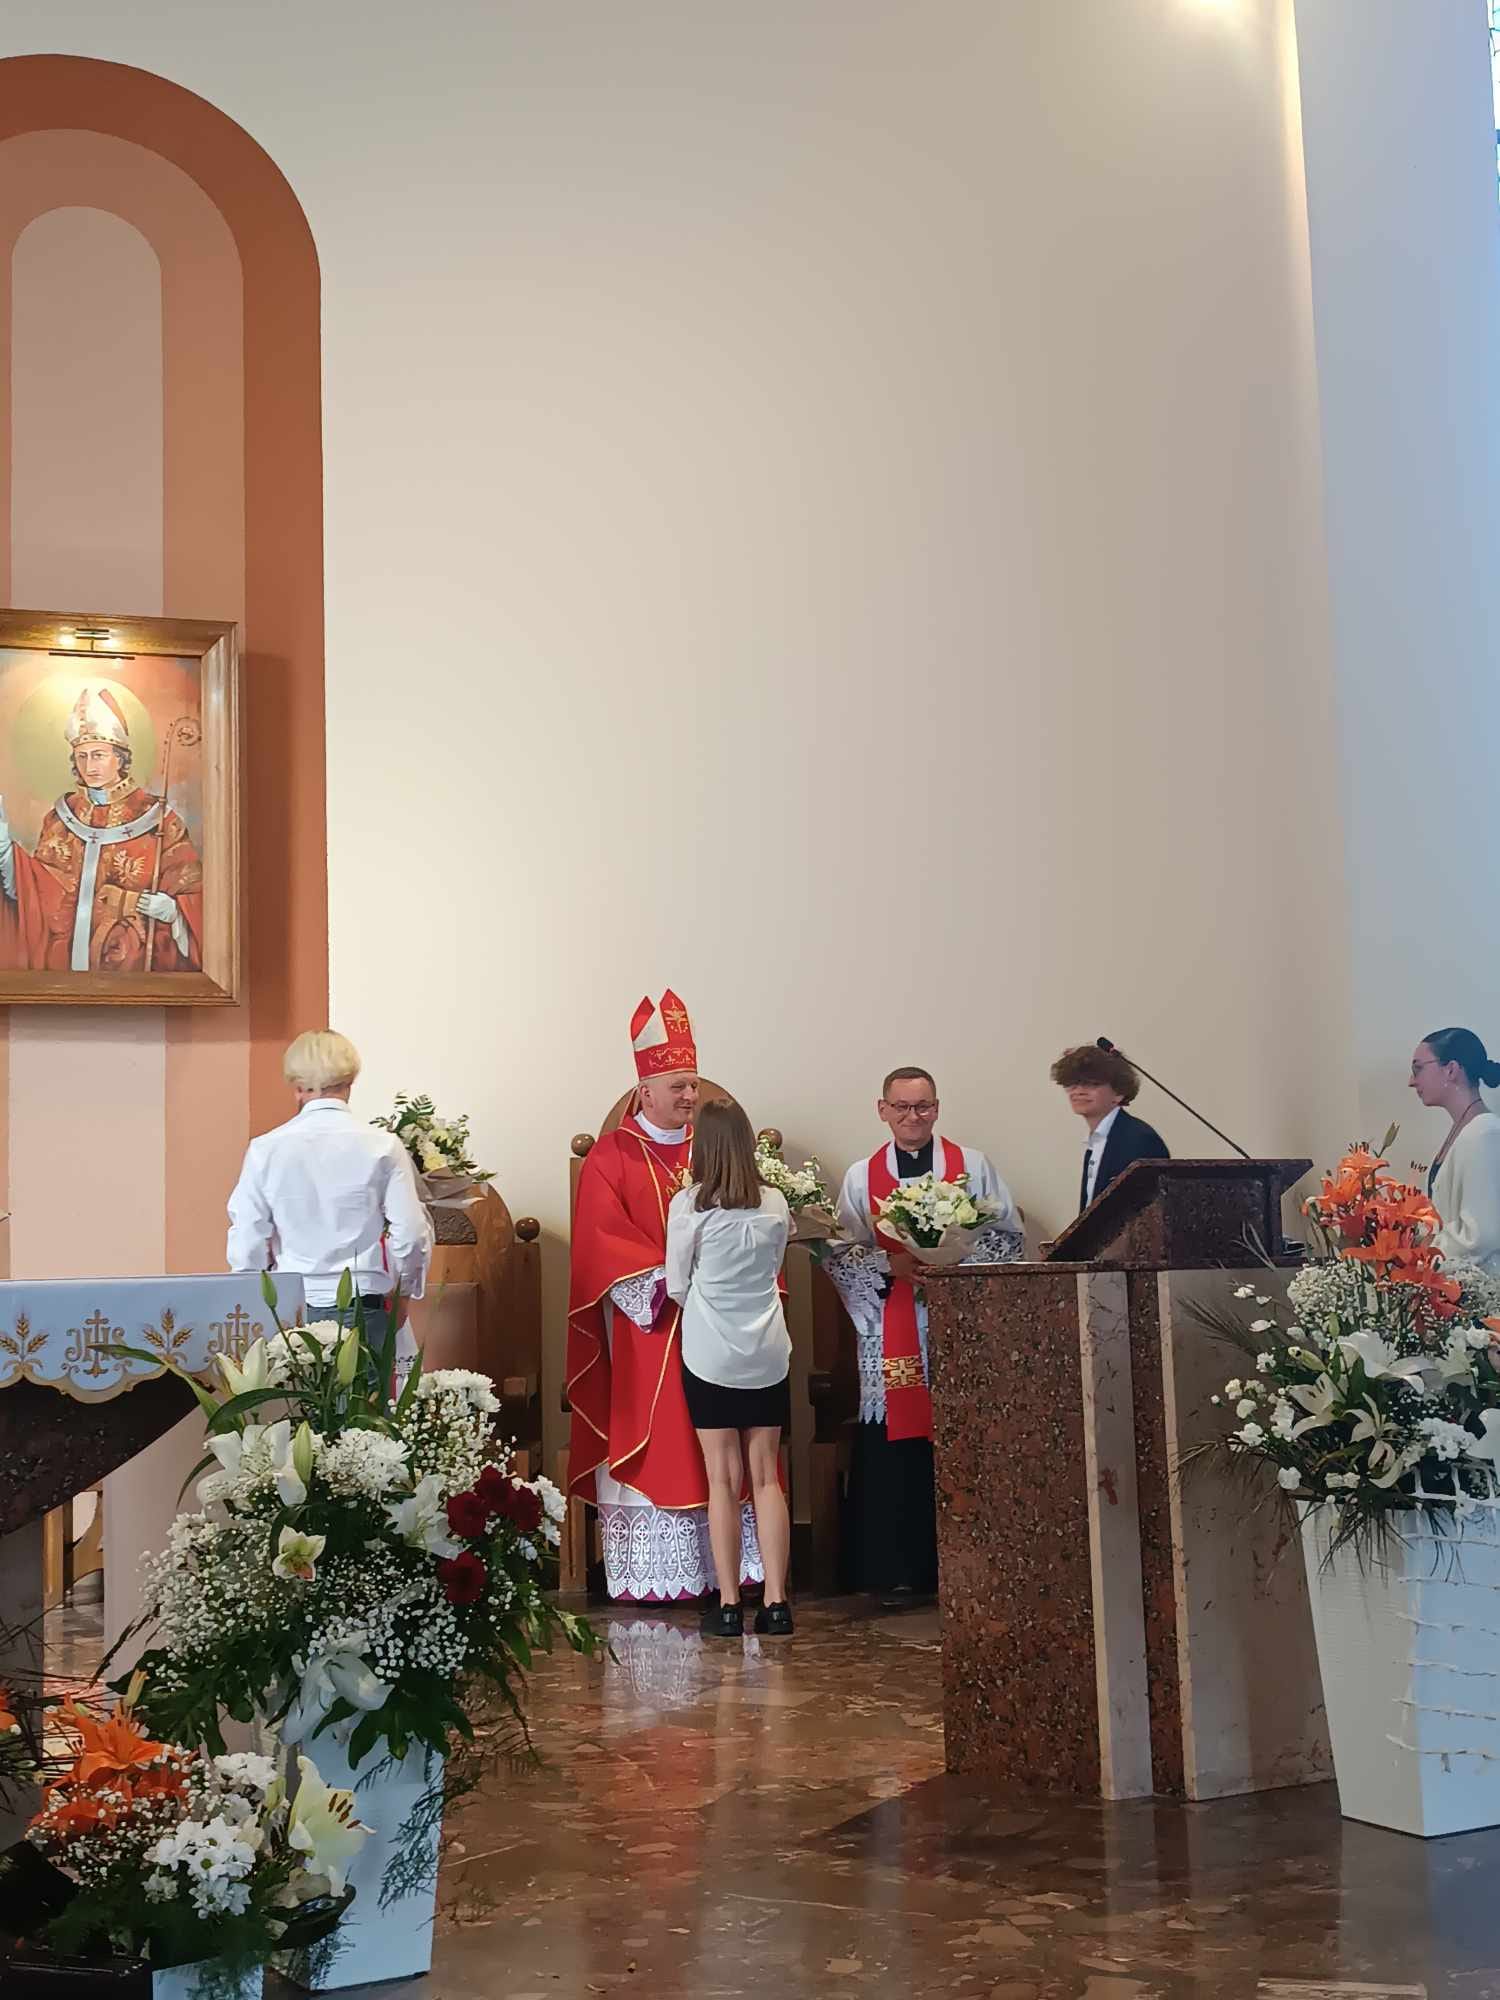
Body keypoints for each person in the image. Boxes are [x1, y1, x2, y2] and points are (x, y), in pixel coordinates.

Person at [566, 991, 764, 1604]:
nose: (688, 1097)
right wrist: (670, 1281)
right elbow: (601, 1239)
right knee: (663, 1429)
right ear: (644, 1091)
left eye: (693, 1086)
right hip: (650, 1323)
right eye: (678, 1087)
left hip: (722, 1320)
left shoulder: (716, 1151)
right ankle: (661, 1575)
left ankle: (732, 1574)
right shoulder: (612, 1155)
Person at [827, 1066, 1023, 1604]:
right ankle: (897, 1568)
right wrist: (889, 1265)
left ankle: (970, 1565)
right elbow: (840, 1253)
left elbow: (1009, 1237)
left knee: (959, 1434)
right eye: (902, 1107)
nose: (913, 1117)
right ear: (883, 1110)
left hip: (958, 1322)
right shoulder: (862, 1177)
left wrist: (953, 1264)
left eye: (924, 1106)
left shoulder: (972, 1166)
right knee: (895, 1440)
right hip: (891, 1323)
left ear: (937, 1108)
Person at [666, 1097, 794, 1639]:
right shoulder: (775, 1202)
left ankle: (727, 1604)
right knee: (766, 1476)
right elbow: (776, 1267)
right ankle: (777, 1603)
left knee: (722, 1478)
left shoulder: (689, 1205)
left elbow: (676, 1283)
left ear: (703, 1146)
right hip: (766, 1350)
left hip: (711, 1351)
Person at [226, 1029, 432, 1355]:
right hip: (365, 1302)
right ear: (350, 1081)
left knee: (297, 1391)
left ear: (297, 1087)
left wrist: (253, 1298)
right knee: (365, 1389)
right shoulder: (382, 1146)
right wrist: (404, 1291)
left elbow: (248, 1239)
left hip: (292, 1307)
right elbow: (411, 1233)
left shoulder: (265, 1150)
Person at [0, 685, 203, 973]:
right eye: (81, 756)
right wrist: (5, 850)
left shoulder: (159, 820)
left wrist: (174, 911)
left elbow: (196, 895)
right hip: (63, 967)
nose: (89, 765)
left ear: (120, 758)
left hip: (134, 966)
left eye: (98, 755)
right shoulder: (60, 818)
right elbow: (39, 892)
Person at [1410, 1027, 1500, 1275]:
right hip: (1455, 1283)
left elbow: (1482, 1233)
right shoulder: (1465, 1130)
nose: (1411, 1081)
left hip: (1483, 1289)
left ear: (1451, 1069)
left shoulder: (1485, 1133)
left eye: (1418, 1069)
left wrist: (1422, 1256)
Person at [1051, 1044, 1170, 1212]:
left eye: (1091, 1084)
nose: (1078, 1091)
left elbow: (1147, 1213)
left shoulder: (1140, 1139)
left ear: (1118, 1092)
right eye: (1072, 1084)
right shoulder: (1096, 1140)